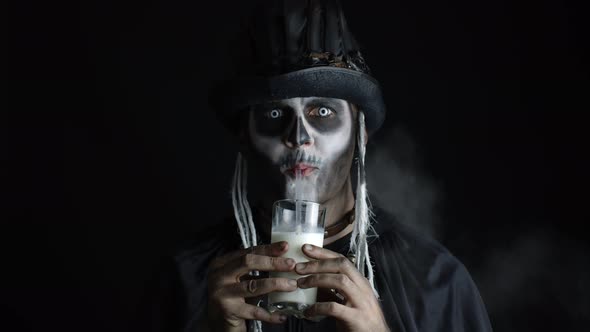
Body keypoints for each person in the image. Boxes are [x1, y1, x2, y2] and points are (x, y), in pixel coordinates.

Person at [145, 1, 493, 331]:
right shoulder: (187, 279)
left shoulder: (436, 283)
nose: (298, 136)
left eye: (322, 112)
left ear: (361, 133)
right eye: (274, 113)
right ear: (243, 136)